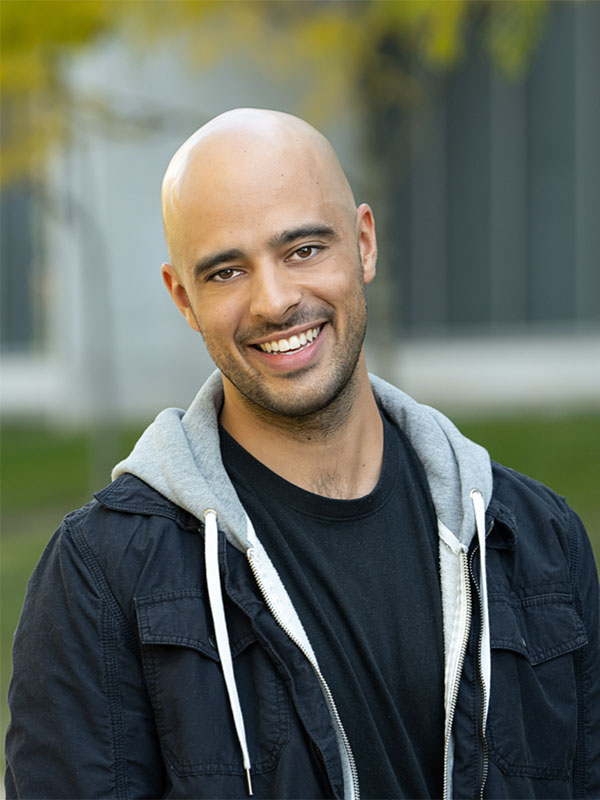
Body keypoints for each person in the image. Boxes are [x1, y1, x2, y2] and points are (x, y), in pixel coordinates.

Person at [5, 108, 599, 800]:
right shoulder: (104, 576)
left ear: (365, 244)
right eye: (226, 271)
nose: (276, 300)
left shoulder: (535, 542)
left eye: (305, 250)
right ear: (182, 297)